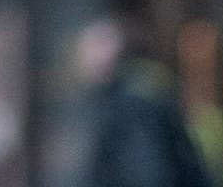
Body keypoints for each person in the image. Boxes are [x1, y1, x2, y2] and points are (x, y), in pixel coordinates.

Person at [76, 16, 214, 187]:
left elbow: (147, 171)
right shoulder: (135, 91)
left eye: (91, 50)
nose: (84, 61)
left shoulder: (132, 102)